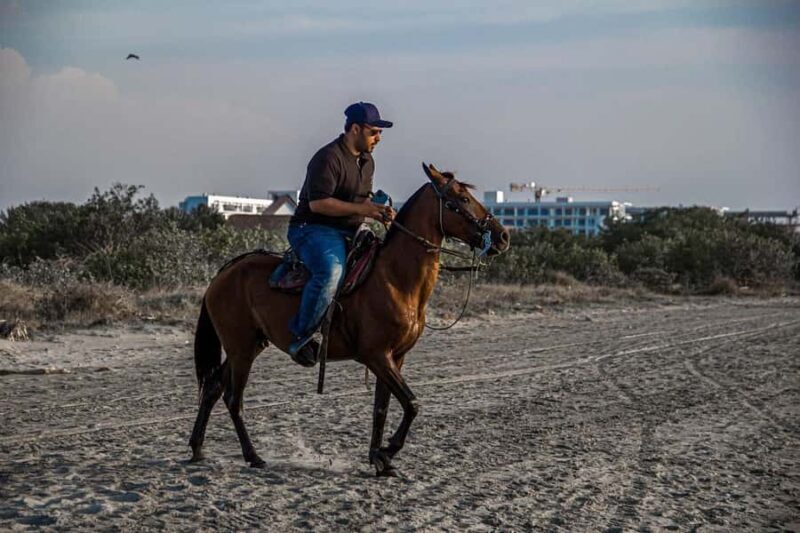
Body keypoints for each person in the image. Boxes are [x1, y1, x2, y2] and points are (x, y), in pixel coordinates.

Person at [286, 102, 396, 366]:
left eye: (380, 133)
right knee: (330, 272)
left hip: (350, 228)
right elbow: (318, 204)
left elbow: (361, 199)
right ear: (355, 129)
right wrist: (363, 209)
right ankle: (302, 336)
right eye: (374, 132)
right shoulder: (328, 158)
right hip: (313, 229)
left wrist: (379, 211)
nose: (378, 138)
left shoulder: (367, 161)